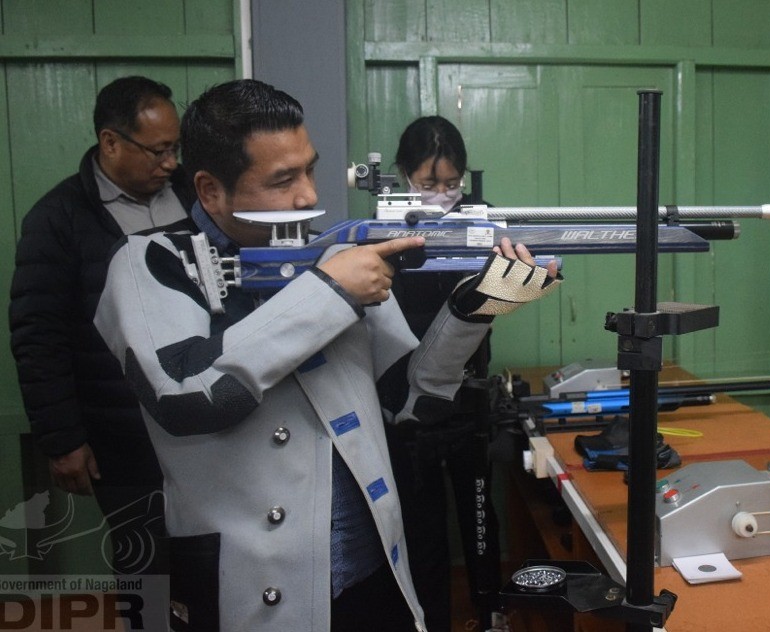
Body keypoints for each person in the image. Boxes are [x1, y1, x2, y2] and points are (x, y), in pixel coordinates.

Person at [91, 79, 560, 632]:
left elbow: (410, 401)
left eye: (309, 170)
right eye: (283, 180)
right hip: (252, 590)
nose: (309, 196)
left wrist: (478, 309)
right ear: (210, 190)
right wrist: (329, 291)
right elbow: (185, 394)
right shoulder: (151, 262)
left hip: (371, 574)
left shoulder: (332, 257)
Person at [8, 75, 193, 575]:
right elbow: (37, 336)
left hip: (203, 426)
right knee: (146, 567)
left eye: (175, 147)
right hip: (123, 435)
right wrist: (63, 439)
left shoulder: (195, 198)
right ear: (110, 142)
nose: (171, 162)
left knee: (207, 566)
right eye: (157, 151)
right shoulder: (58, 219)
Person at [388, 116, 502, 630]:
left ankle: (492, 614)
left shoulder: (486, 222)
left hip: (469, 398)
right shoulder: (383, 229)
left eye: (451, 184)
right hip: (405, 406)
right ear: (401, 175)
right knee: (423, 532)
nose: (440, 195)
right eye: (427, 184)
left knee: (481, 522)